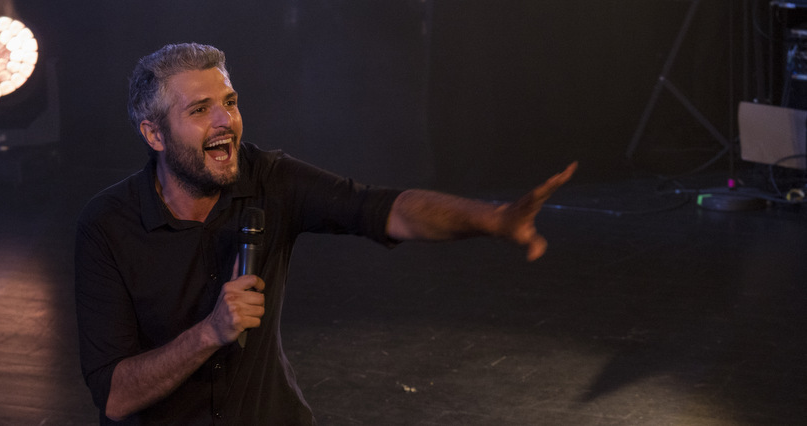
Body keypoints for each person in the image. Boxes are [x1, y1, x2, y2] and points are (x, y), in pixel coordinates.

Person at [75, 42, 576, 425]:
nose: (226, 120)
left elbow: (385, 210)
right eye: (200, 109)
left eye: (229, 101)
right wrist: (210, 333)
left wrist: (494, 219)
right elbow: (115, 396)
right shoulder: (108, 226)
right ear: (154, 134)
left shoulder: (270, 179)